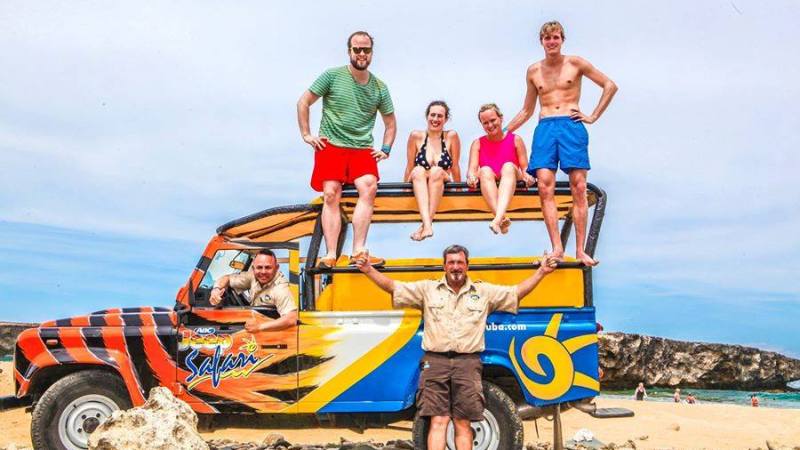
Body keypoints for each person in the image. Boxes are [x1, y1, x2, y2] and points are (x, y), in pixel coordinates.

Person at [354, 244, 558, 450]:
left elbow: (516, 293)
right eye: (451, 262)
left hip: (467, 363)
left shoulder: (484, 292)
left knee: (463, 421)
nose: (456, 266)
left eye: (460, 262)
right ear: (444, 266)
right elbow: (394, 287)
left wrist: (542, 271)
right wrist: (369, 269)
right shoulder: (428, 290)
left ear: (467, 265)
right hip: (435, 362)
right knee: (438, 420)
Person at [505, 20, 618, 266]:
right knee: (545, 187)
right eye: (547, 38)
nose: (552, 42)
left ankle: (580, 250)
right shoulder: (534, 71)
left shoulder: (575, 63)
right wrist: (505, 131)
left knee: (578, 186)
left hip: (571, 125)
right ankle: (556, 247)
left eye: (556, 37)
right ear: (541, 42)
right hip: (545, 127)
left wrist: (593, 116)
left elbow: (610, 85)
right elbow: (527, 109)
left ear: (562, 39)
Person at [297, 31, 397, 268]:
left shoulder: (380, 87)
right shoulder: (332, 76)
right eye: (357, 49)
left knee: (369, 186)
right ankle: (331, 254)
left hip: (362, 149)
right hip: (331, 145)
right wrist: (306, 134)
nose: (361, 54)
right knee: (331, 192)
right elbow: (304, 102)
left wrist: (385, 148)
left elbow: (391, 123)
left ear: (372, 53)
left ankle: (359, 250)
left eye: (366, 50)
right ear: (349, 51)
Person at [466, 104, 535, 235]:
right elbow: (472, 170)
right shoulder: (477, 143)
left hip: (511, 174)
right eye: (485, 123)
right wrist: (471, 178)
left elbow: (525, 167)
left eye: (493, 120)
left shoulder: (516, 139)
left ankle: (497, 219)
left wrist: (528, 176)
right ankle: (500, 219)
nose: (490, 125)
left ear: (501, 118)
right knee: (485, 169)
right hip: (488, 177)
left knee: (508, 166)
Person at [404, 100, 462, 241]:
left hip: (440, 179)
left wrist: (459, 190)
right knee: (418, 170)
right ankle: (427, 225)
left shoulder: (451, 136)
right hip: (419, 180)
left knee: (436, 170)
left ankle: (425, 225)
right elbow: (409, 166)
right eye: (433, 115)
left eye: (440, 116)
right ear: (427, 116)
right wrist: (404, 189)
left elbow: (455, 166)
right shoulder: (416, 136)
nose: (435, 119)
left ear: (446, 119)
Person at [209, 249, 298, 332]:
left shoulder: (280, 288)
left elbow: (291, 318)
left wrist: (260, 327)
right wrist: (216, 290)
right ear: (253, 268)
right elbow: (227, 278)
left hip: (269, 334)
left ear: (276, 268)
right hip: (252, 326)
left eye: (268, 268)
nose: (263, 272)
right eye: (259, 267)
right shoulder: (253, 277)